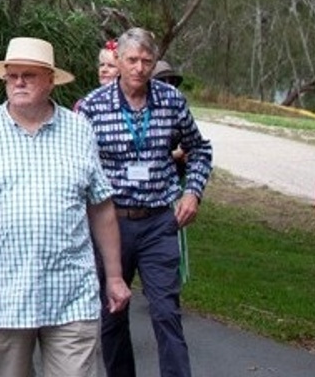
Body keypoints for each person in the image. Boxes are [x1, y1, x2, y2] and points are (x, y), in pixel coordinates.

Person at [0, 37, 132, 377]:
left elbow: (101, 207)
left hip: (71, 292)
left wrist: (115, 277)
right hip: (6, 294)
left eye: (28, 75)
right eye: (12, 76)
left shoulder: (80, 132)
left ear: (51, 80)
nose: (18, 83)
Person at [77, 28, 213, 377]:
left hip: (157, 222)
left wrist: (192, 192)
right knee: (113, 312)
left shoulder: (171, 101)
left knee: (166, 312)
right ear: (117, 61)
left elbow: (199, 149)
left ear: (154, 64)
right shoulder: (92, 108)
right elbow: (77, 167)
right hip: (111, 223)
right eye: (132, 60)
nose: (139, 68)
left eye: (146, 61)